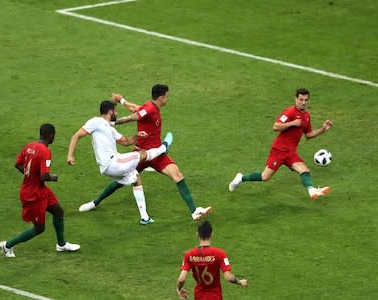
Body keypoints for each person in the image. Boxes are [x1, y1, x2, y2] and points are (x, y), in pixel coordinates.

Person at [108, 84, 211, 221]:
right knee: (122, 180)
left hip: (156, 154)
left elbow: (136, 109)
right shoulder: (150, 108)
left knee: (177, 175)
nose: (167, 99)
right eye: (166, 97)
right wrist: (113, 123)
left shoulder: (150, 107)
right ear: (161, 98)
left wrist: (122, 101)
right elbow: (134, 117)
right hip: (142, 154)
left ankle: (194, 211)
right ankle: (95, 202)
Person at [67, 100, 173, 224]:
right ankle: (163, 148)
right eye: (115, 111)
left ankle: (145, 217)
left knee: (136, 177)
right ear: (110, 111)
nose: (117, 113)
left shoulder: (110, 129)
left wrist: (137, 136)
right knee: (141, 155)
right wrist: (70, 155)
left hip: (109, 167)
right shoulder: (95, 122)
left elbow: (126, 142)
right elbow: (76, 135)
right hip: (113, 163)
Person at [228, 88, 333, 200]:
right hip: (279, 150)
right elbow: (276, 126)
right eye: (301, 99)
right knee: (265, 177)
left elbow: (308, 135)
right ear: (296, 99)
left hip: (291, 151)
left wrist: (323, 129)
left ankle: (312, 191)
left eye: (306, 100)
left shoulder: (306, 116)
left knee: (304, 170)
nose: (303, 102)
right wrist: (293, 123)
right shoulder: (290, 112)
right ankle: (241, 178)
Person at [0, 124, 80, 257]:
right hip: (32, 195)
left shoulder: (29, 146)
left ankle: (61, 245)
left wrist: (29, 174)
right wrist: (53, 177)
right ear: (51, 136)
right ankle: (7, 245)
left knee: (58, 211)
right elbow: (44, 175)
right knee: (39, 228)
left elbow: (17, 164)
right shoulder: (45, 151)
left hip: (41, 190)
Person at [176, 221, 248, 300]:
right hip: (215, 297)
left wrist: (179, 289)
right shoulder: (220, 253)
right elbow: (228, 277)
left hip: (199, 296)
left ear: (197, 235)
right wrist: (240, 282)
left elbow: (181, 279)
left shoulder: (188, 255)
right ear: (212, 234)